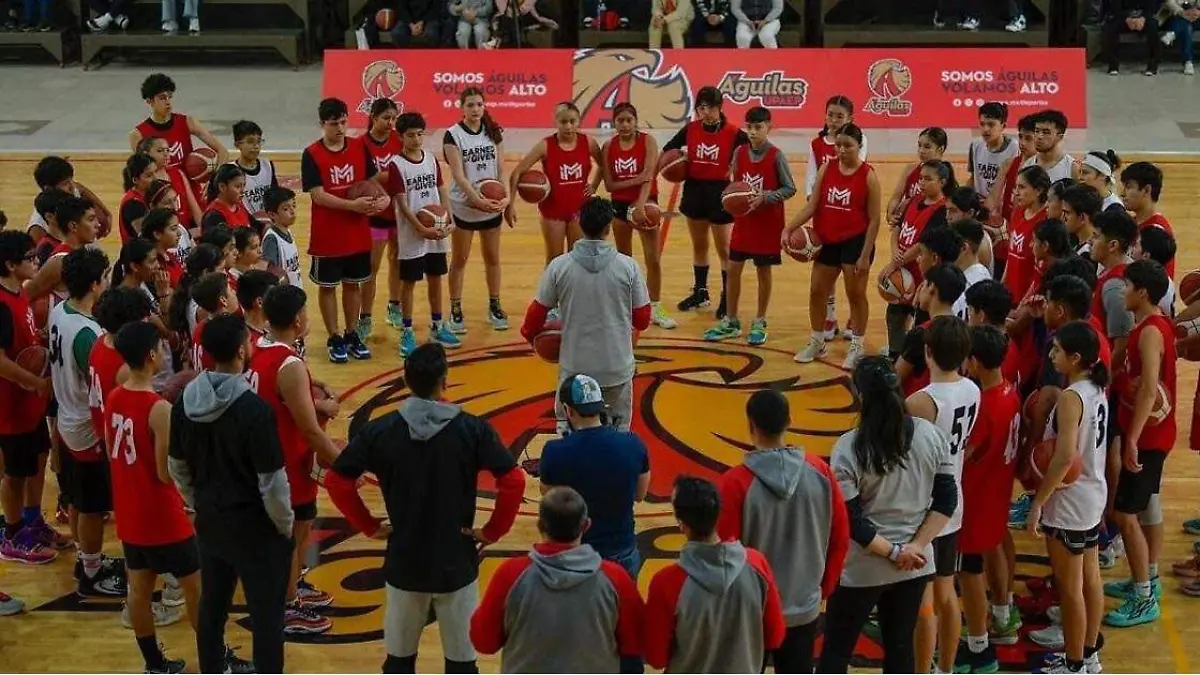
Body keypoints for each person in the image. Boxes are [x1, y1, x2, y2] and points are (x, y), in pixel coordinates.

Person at [325, 342, 526, 674]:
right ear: (445, 381)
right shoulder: (472, 429)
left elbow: (337, 481)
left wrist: (369, 526)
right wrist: (492, 531)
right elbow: (514, 481)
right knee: (462, 664)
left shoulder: (380, 430)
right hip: (456, 562)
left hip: (405, 561)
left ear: (405, 381)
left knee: (400, 662)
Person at [167, 313, 294, 674]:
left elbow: (176, 465)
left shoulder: (185, 402)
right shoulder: (255, 411)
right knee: (267, 621)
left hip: (211, 522)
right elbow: (272, 482)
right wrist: (283, 526)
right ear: (242, 350)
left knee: (212, 610)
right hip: (256, 530)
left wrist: (198, 502)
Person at [818, 356, 957, 674]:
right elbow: (947, 500)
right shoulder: (930, 435)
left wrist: (894, 552)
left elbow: (852, 521)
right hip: (915, 566)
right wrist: (916, 547)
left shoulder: (848, 447)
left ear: (861, 397)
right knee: (900, 651)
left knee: (837, 651)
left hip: (863, 568)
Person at [717, 389, 849, 673]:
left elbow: (724, 554)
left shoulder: (734, 483)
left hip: (753, 610)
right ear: (790, 420)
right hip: (804, 603)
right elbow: (840, 536)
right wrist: (822, 588)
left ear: (750, 425)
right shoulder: (821, 472)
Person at [247, 284, 344, 635]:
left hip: (272, 456)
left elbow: (280, 398)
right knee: (295, 533)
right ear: (298, 318)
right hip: (290, 462)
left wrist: (313, 392)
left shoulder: (258, 345)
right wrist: (343, 466)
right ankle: (287, 606)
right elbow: (311, 431)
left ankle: (292, 585)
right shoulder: (288, 365)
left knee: (297, 533)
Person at [107, 320, 200, 673]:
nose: (165, 353)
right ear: (150, 355)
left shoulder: (116, 395)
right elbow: (165, 473)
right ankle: (215, 658)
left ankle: (153, 664)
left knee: (139, 591)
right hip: (162, 516)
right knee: (196, 589)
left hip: (130, 511)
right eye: (161, 348)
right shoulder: (159, 408)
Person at [469, 486, 643, 672]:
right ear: (586, 526)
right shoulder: (615, 578)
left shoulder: (510, 574)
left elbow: (484, 642)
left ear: (540, 525)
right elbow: (635, 643)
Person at [520, 197, 651, 434]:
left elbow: (535, 315)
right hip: (616, 367)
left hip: (575, 368)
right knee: (618, 435)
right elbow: (642, 319)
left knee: (569, 434)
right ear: (608, 228)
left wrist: (532, 338)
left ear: (579, 224)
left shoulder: (559, 266)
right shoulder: (629, 267)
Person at [1024, 321, 1109, 674]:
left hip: (1071, 501)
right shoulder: (1095, 388)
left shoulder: (1072, 397)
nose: (1051, 354)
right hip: (1092, 493)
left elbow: (1063, 456)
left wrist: (1038, 502)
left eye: (1057, 350)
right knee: (1090, 579)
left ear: (1075, 358)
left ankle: (1073, 665)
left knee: (1070, 588)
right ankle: (1089, 655)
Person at [644, 476, 786, 672]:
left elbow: (656, 658)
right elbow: (775, 636)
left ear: (681, 523)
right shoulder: (757, 564)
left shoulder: (666, 583)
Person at [903, 316, 980, 674]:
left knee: (924, 603)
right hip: (955, 504)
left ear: (927, 352)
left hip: (925, 509)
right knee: (949, 595)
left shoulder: (920, 402)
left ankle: (923, 670)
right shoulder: (972, 390)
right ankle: (946, 669)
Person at [50, 248, 128, 597]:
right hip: (86, 424)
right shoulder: (89, 334)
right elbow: (98, 384)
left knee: (78, 499)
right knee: (94, 506)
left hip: (66, 418)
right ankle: (92, 573)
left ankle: (87, 558)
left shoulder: (57, 312)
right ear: (96, 283)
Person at [1104, 260, 1175, 629]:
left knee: (1125, 514)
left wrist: (1131, 439)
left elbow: (1149, 387)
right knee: (1144, 506)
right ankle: (1147, 578)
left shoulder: (1150, 332)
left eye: (1127, 285)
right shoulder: (1149, 325)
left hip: (1148, 437)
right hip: (1150, 435)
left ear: (1142, 292)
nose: (1122, 291)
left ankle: (1145, 597)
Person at [954, 325, 1022, 673]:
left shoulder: (987, 407)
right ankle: (1002, 613)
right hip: (998, 490)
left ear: (975, 362)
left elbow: (964, 455)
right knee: (993, 552)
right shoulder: (1010, 392)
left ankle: (979, 645)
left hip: (977, 497)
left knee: (969, 572)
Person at [785, 123, 881, 367]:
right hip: (827, 240)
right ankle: (817, 342)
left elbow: (874, 219)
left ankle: (857, 345)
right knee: (817, 290)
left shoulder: (868, 176)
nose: (842, 150)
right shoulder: (827, 168)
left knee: (855, 293)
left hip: (855, 242)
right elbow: (812, 205)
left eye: (847, 145)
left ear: (859, 146)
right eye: (838, 145)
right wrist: (789, 228)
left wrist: (865, 254)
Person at [301, 97, 388, 364]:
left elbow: (372, 181)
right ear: (322, 124)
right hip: (327, 234)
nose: (339, 128)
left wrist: (383, 198)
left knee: (353, 284)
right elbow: (317, 195)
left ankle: (351, 334)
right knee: (328, 287)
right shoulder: (311, 154)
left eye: (342, 121)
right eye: (333, 123)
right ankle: (334, 336)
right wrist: (353, 205)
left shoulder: (359, 148)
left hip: (356, 232)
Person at [539, 373, 650, 577]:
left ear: (568, 410)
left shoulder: (554, 451)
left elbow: (549, 497)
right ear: (601, 407)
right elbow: (640, 495)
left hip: (574, 552)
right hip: (620, 550)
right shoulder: (634, 444)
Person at [703, 106, 796, 346]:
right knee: (733, 269)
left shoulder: (776, 156)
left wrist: (766, 197)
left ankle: (760, 320)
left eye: (758, 127)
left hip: (767, 225)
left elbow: (790, 188)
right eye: (750, 127)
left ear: (769, 128)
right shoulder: (739, 153)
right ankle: (731, 320)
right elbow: (737, 187)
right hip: (744, 224)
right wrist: (731, 200)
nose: (753, 132)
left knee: (763, 272)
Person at [661, 86, 749, 317]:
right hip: (694, 189)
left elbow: (752, 154)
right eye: (701, 108)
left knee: (724, 250)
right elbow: (667, 150)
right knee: (700, 246)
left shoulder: (734, 133)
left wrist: (736, 166)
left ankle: (726, 298)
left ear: (720, 108)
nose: (706, 112)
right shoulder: (690, 129)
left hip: (720, 192)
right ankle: (701, 292)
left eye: (710, 108)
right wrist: (681, 157)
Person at [0, 230, 56, 565]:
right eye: (31, 258)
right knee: (15, 473)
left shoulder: (19, 292)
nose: (37, 262)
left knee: (38, 458)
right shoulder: (2, 307)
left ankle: (33, 520)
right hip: (11, 408)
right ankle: (13, 533)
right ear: (10, 264)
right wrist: (34, 381)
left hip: (30, 405)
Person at [390, 111, 459, 358]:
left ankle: (437, 325)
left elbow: (441, 189)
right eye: (411, 135)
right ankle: (407, 330)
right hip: (413, 234)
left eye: (420, 134)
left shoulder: (430, 158)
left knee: (436, 277)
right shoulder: (396, 165)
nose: (417, 139)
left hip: (437, 230)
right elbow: (401, 203)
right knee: (408, 283)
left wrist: (450, 218)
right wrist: (420, 228)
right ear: (400, 136)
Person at [601, 102, 674, 329]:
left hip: (646, 204)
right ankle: (629, 307)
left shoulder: (647, 141)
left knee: (653, 259)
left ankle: (655, 306)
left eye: (628, 120)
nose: (624, 125)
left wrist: (641, 204)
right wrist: (637, 178)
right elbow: (611, 185)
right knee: (625, 261)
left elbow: (649, 177)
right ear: (614, 123)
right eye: (620, 121)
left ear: (635, 121)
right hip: (620, 207)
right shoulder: (608, 146)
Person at [444, 88, 510, 335]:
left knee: (492, 257)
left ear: (485, 106)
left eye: (479, 104)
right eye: (470, 105)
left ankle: (495, 304)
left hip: (491, 205)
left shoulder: (494, 132)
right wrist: (476, 200)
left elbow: (501, 169)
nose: (475, 109)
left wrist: (505, 196)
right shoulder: (452, 135)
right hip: (465, 205)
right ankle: (455, 308)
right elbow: (459, 176)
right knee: (459, 259)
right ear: (462, 107)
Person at [509, 102, 602, 268]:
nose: (568, 126)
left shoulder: (588, 142)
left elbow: (604, 165)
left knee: (578, 260)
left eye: (572, 121)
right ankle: (549, 294)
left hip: (580, 209)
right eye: (563, 122)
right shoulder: (545, 145)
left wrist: (594, 185)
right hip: (553, 210)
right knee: (554, 261)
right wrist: (510, 205)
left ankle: (574, 295)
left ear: (579, 121)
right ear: (556, 122)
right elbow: (516, 173)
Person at [878, 160, 954, 357]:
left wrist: (896, 263)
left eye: (928, 179)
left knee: (921, 320)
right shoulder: (912, 201)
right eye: (921, 178)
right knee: (894, 314)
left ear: (943, 182)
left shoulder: (941, 209)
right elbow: (897, 227)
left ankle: (916, 358)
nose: (922, 182)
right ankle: (895, 353)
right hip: (902, 269)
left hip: (921, 274)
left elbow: (923, 245)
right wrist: (895, 251)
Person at [358, 98, 404, 339]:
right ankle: (364, 317)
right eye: (386, 118)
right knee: (371, 268)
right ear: (373, 118)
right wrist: (391, 176)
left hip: (397, 212)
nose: (390, 123)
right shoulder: (360, 145)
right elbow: (366, 180)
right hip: (374, 214)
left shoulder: (399, 140)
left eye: (394, 118)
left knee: (397, 261)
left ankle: (394, 307)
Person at [129, 74, 227, 184]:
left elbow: (223, 151)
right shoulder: (138, 134)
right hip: (162, 192)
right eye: (162, 98)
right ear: (149, 101)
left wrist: (215, 180)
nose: (168, 101)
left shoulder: (188, 122)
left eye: (170, 96)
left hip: (190, 189)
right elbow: (141, 172)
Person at [897, 264, 967, 397]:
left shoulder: (921, 334)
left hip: (919, 408)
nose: (919, 289)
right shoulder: (964, 329)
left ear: (932, 288)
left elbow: (896, 378)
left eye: (923, 285)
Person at [1003, 165, 1051, 302]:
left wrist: (1023, 306)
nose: (1016, 192)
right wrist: (1002, 285)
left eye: (1022, 187)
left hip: (1028, 300)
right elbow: (1011, 256)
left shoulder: (1045, 220)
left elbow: (1040, 270)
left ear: (1039, 190)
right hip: (1009, 295)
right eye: (1015, 187)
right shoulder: (1017, 212)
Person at [1120, 162, 1174, 276]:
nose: (1122, 193)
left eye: (1129, 187)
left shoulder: (1157, 230)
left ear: (1146, 190)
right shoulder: (1131, 223)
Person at [887, 127, 948, 226]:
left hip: (929, 224)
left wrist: (909, 202)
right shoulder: (910, 169)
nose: (921, 150)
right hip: (908, 224)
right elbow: (896, 197)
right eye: (919, 146)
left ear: (940, 149)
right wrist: (890, 214)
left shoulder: (945, 174)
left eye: (927, 147)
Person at [967, 102, 1019, 201]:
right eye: (982, 124)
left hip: (1003, 205)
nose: (985, 129)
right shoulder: (975, 145)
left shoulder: (1015, 148)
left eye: (991, 125)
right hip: (980, 203)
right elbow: (973, 177)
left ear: (1003, 126)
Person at [231, 120, 278, 216]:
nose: (256, 146)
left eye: (259, 141)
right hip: (243, 226)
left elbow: (275, 196)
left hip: (268, 223)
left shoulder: (267, 166)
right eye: (250, 141)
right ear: (237, 145)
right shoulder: (230, 171)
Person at [1103, 0, 1162, 75]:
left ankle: (1152, 67)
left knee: (1153, 27)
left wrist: (1143, 18)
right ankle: (1113, 66)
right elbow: (1115, 7)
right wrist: (1127, 18)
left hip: (1144, 18)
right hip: (1124, 17)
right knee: (1112, 27)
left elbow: (1152, 7)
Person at [261, 187, 303, 288]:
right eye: (286, 209)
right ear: (272, 214)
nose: (292, 211)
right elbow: (271, 272)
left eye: (293, 206)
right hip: (284, 296)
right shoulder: (272, 239)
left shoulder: (287, 230)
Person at [1023, 111, 1076, 183]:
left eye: (1046, 132)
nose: (1039, 136)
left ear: (1059, 137)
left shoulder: (1072, 168)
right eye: (1037, 131)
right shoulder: (1027, 166)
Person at [200, 164, 251, 234]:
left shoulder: (240, 207)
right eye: (238, 186)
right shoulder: (213, 216)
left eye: (243, 186)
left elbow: (256, 226)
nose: (242, 190)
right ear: (222, 187)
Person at [119, 153, 156, 244]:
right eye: (149, 175)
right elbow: (147, 237)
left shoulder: (148, 195)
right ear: (135, 180)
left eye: (156, 172)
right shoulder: (133, 204)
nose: (155, 178)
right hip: (137, 256)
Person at [1164, 1, 1200, 74]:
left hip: (1195, 16)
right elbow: (1169, 2)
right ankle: (1188, 62)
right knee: (1187, 27)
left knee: (1187, 24)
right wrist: (1182, 12)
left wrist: (1197, 11)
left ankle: (1173, 33)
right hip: (1177, 15)